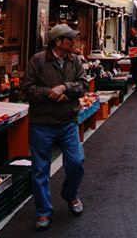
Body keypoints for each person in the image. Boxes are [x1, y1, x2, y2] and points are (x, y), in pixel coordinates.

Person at [23, 23, 88, 231]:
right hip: (42, 123)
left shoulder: (75, 60)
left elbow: (83, 85)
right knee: (40, 169)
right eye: (70, 39)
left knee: (77, 161)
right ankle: (43, 212)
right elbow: (27, 89)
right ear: (59, 42)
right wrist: (50, 92)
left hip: (68, 121)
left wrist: (65, 87)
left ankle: (70, 194)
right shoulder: (38, 60)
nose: (73, 42)